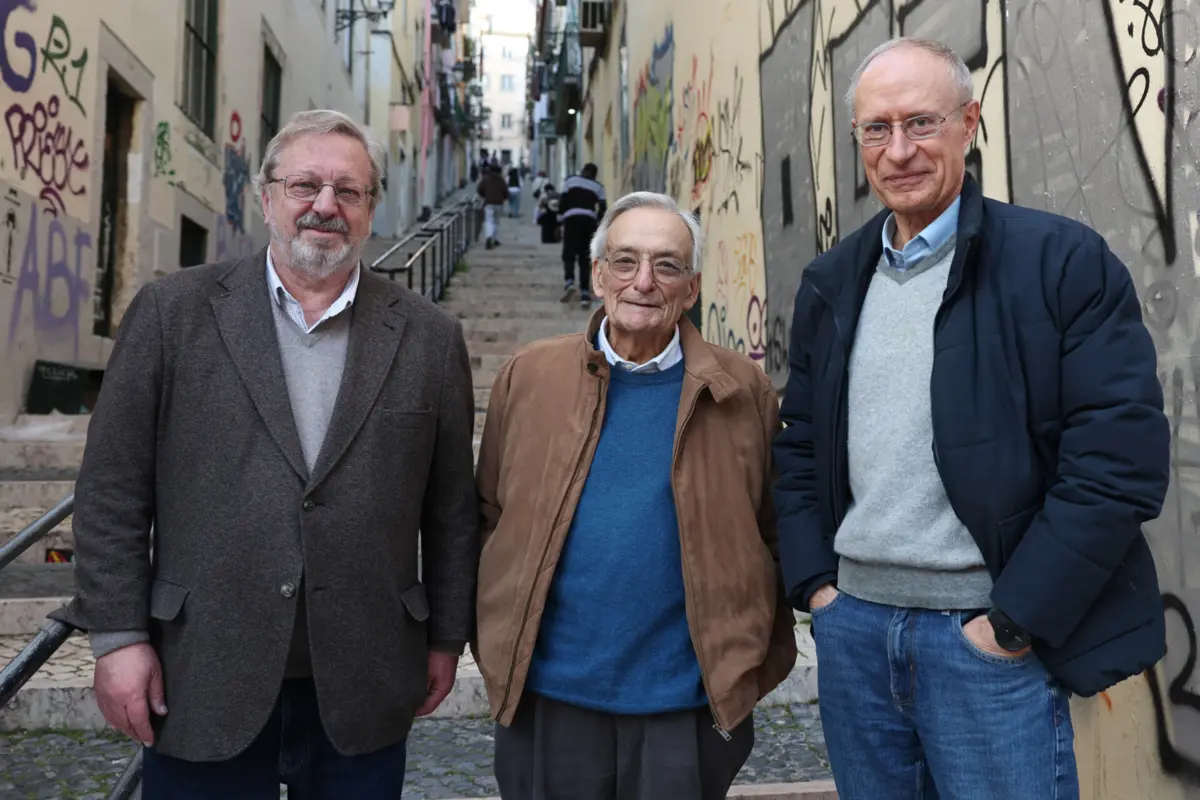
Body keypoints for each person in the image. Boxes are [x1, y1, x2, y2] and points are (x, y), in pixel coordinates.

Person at [772, 37, 1170, 799]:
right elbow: (799, 449)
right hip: (856, 634)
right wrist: (819, 591)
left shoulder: (1059, 264)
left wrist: (1012, 625)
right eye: (876, 129)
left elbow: (1117, 465)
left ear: (969, 122)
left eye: (921, 123)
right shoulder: (831, 282)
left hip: (985, 642)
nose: (898, 151)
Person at [52, 109, 479, 798]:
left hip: (366, 677)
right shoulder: (172, 314)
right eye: (305, 184)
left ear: (371, 208)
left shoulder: (429, 337)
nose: (324, 205)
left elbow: (452, 509)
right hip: (200, 667)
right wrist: (118, 636)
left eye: (348, 190)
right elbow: (112, 491)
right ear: (267, 197)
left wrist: (447, 639)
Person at [475, 191, 797, 800]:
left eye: (667, 265)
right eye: (625, 261)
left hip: (686, 704)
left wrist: (747, 664)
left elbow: (774, 531)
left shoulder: (741, 390)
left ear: (693, 286)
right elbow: (488, 515)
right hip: (549, 697)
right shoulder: (529, 375)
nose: (643, 282)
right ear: (598, 274)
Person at [556, 163, 606, 309]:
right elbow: (603, 209)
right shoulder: (598, 187)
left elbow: (562, 202)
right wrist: (598, 226)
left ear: (582, 170)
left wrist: (559, 222)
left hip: (571, 219)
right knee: (585, 257)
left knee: (569, 252)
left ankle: (569, 282)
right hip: (588, 220)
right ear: (595, 174)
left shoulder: (570, 181)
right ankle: (584, 293)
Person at [477, 163, 508, 249]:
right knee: (497, 221)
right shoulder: (501, 180)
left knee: (489, 220)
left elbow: (479, 189)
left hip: (489, 202)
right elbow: (506, 192)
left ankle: (488, 236)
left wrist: (485, 195)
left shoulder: (486, 179)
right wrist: (503, 197)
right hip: (499, 203)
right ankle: (496, 239)